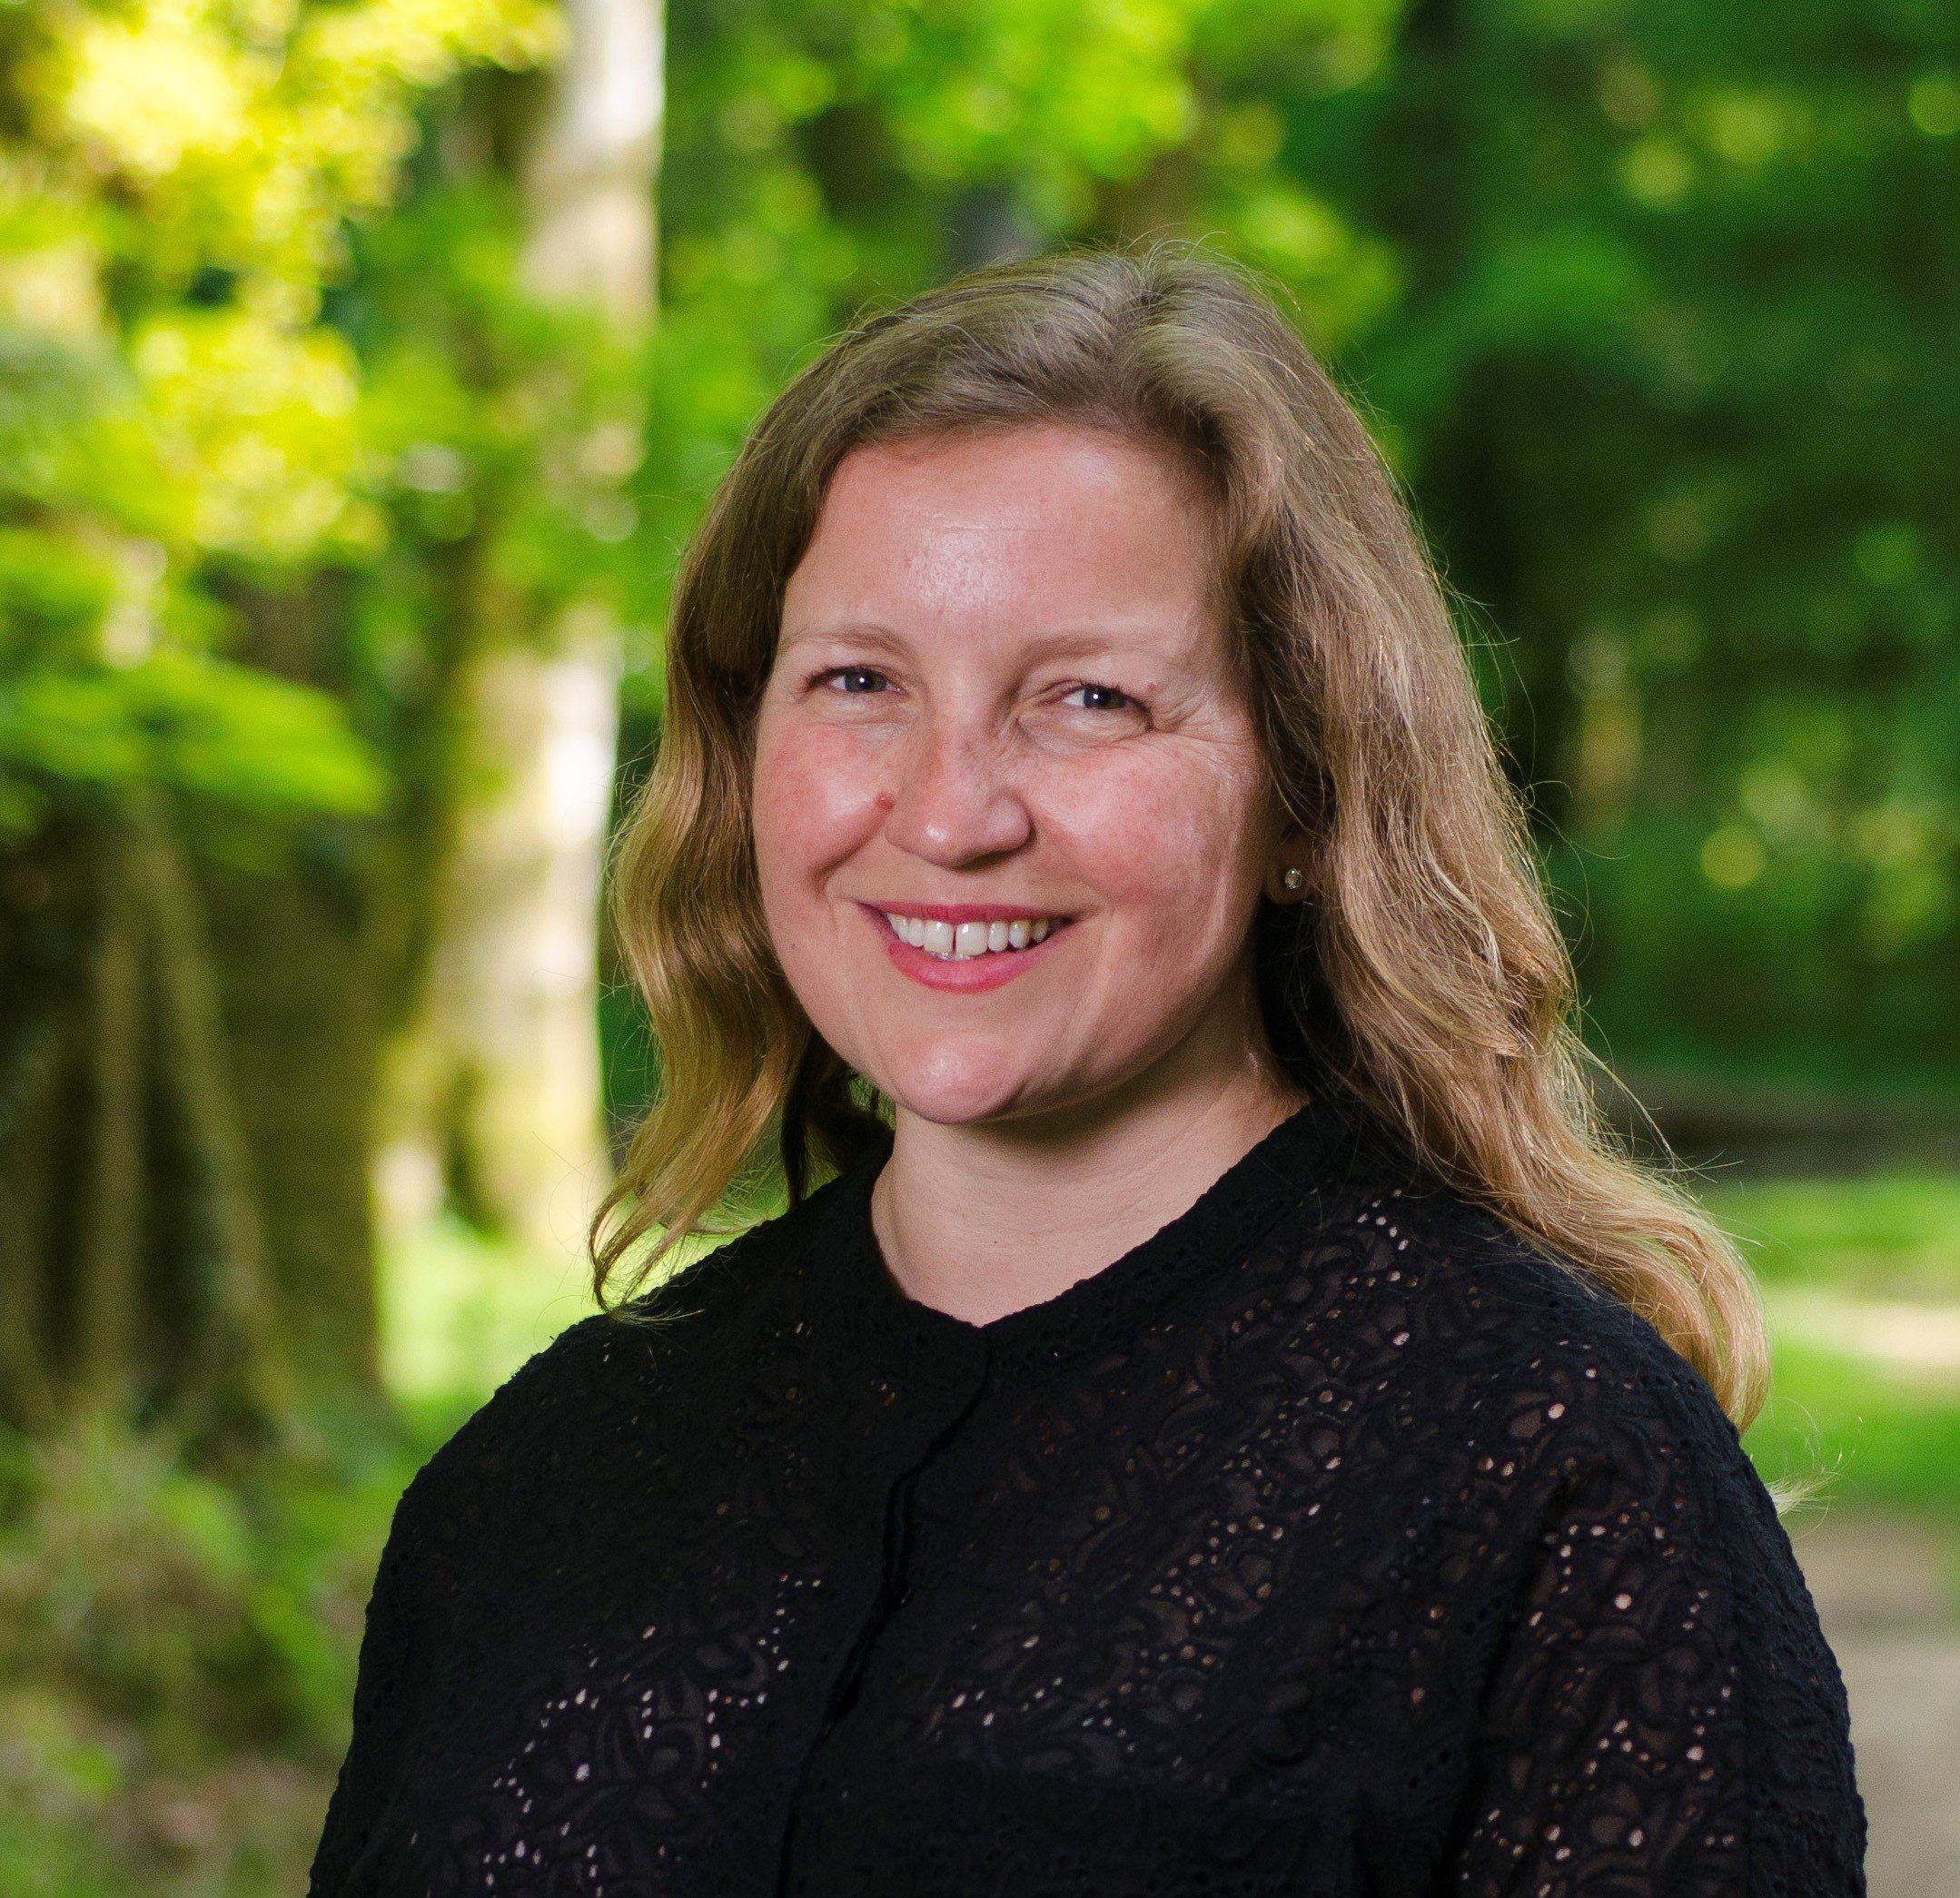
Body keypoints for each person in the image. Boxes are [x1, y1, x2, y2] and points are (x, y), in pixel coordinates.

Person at [309, 249, 1865, 1896]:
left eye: (1087, 698)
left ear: (1308, 790)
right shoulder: (540, 1478)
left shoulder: (1556, 1472)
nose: (948, 812)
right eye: (858, 681)